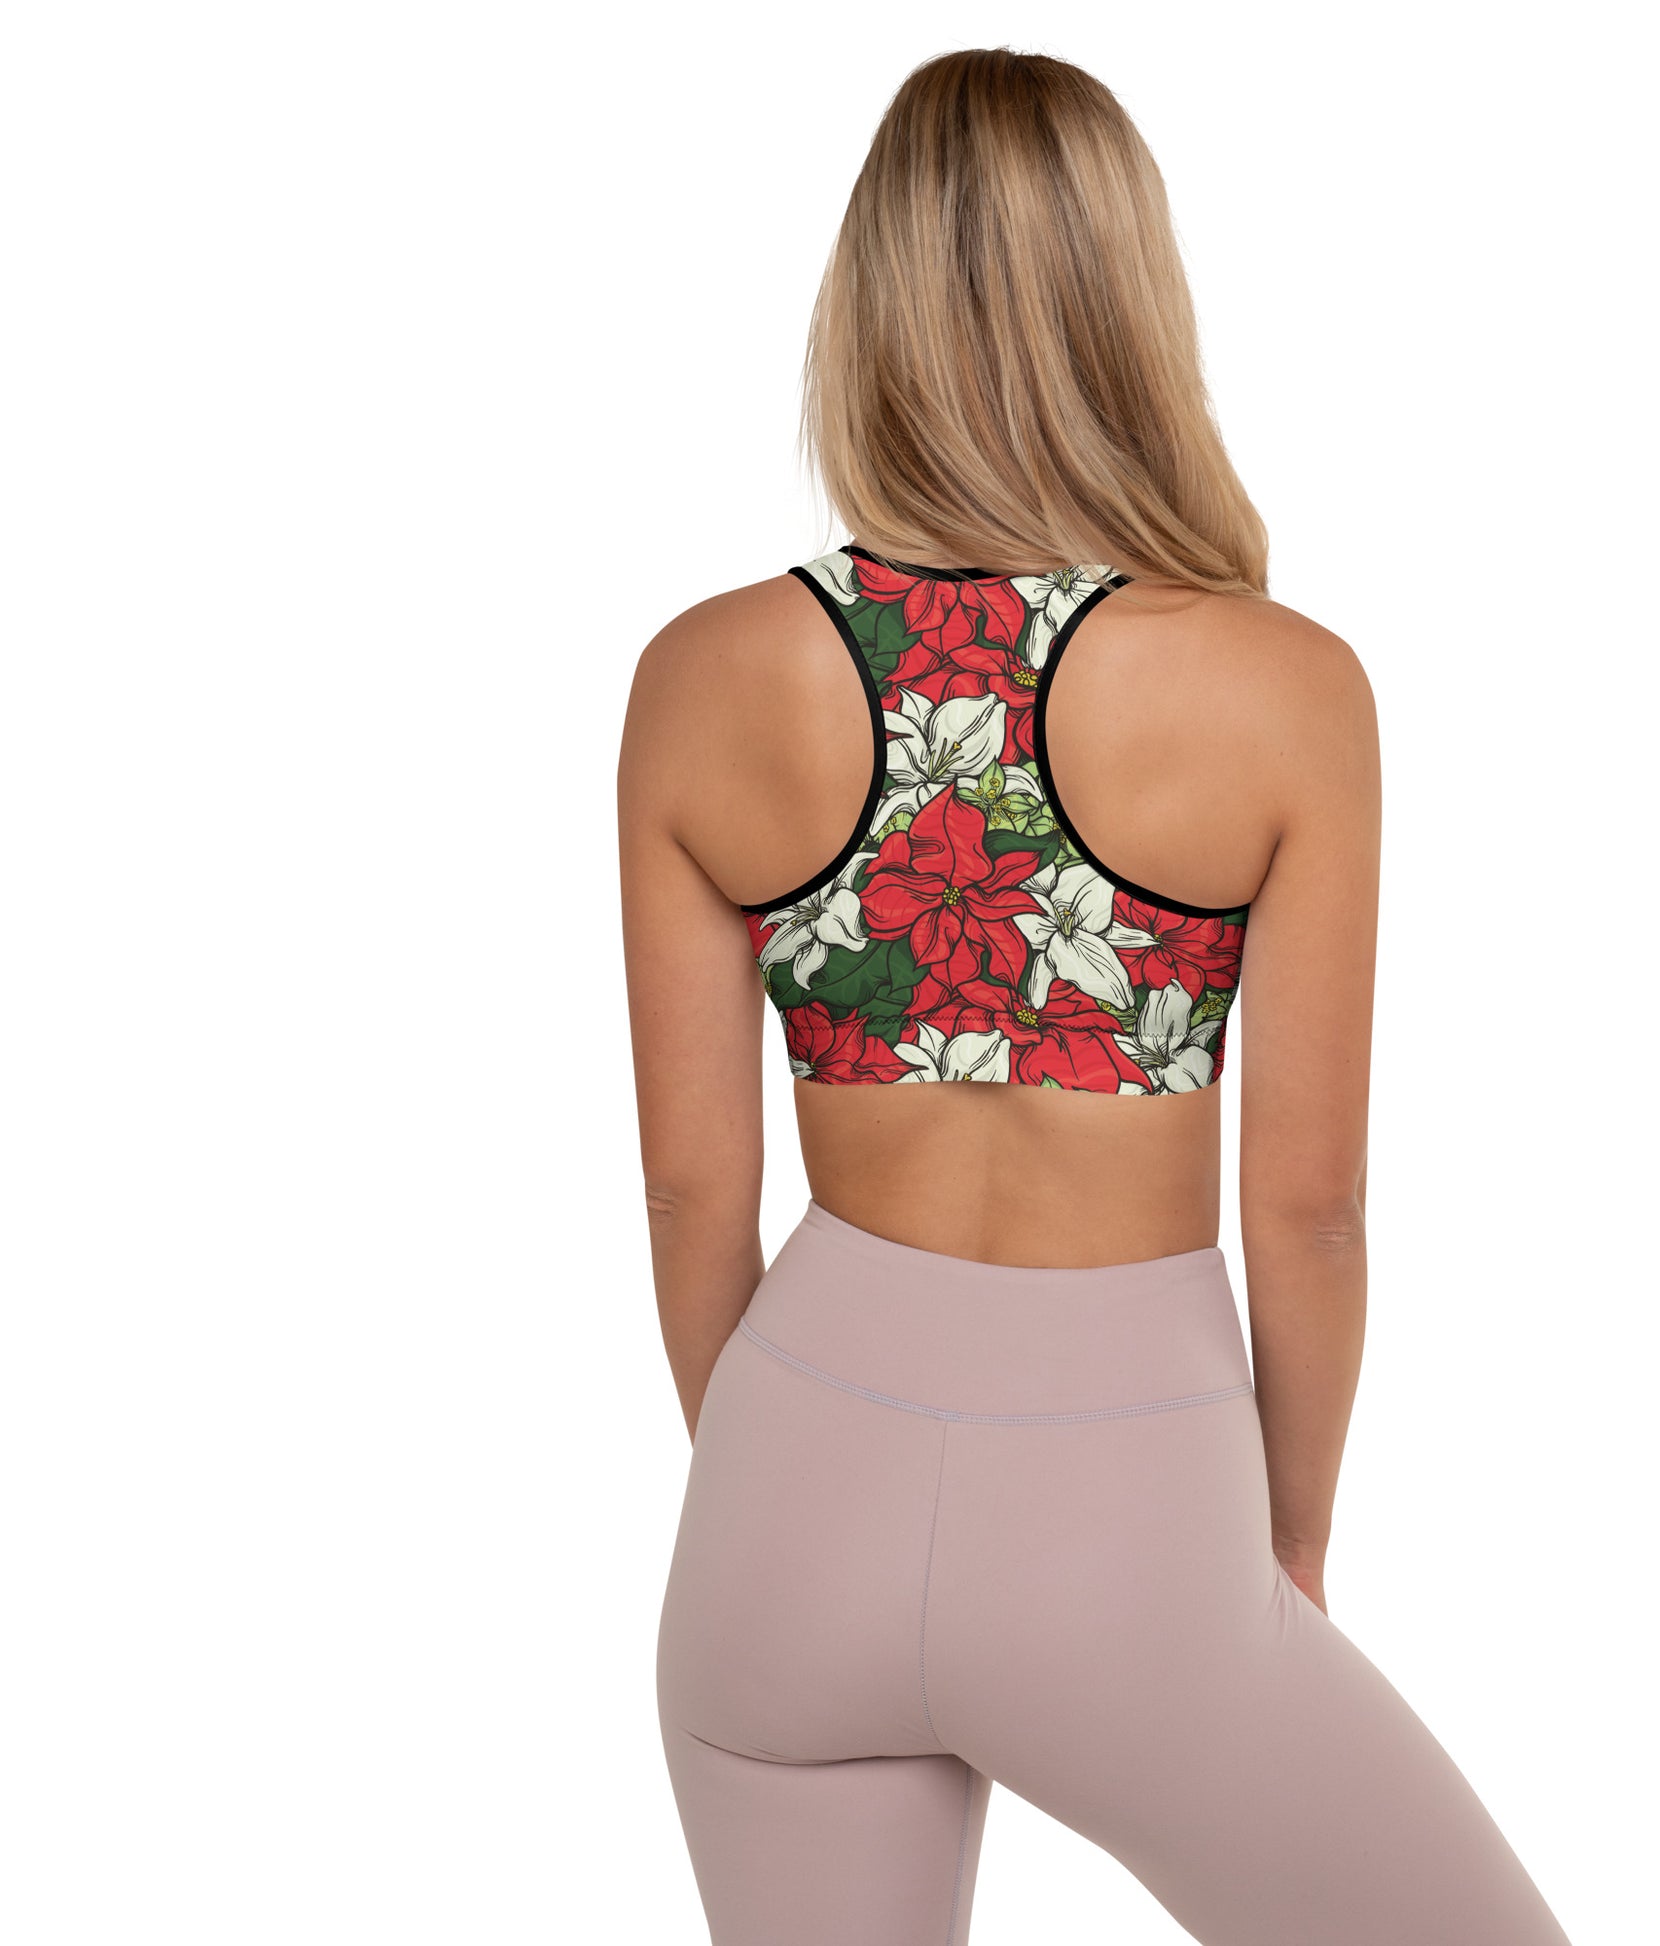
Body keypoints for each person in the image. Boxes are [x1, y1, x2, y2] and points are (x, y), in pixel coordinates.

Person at [619, 46, 1572, 1946]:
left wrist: (788, 1485)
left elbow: (687, 1194)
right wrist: (1282, 1546)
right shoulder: (1283, 688)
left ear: (864, 306)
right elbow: (1307, 1208)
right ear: (1132, 305)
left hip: (782, 1496)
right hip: (1128, 1501)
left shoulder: (702, 674)